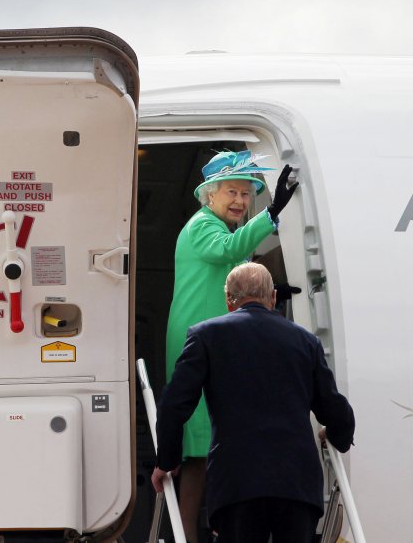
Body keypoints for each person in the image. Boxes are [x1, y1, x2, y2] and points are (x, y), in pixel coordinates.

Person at [153, 262, 355, 543]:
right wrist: (336, 436)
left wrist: (167, 460)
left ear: (228, 301)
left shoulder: (205, 335)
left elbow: (174, 405)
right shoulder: (306, 341)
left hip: (237, 484)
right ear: (273, 298)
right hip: (297, 485)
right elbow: (335, 409)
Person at [164, 149, 299, 539]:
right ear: (210, 195)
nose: (240, 201)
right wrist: (271, 213)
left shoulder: (219, 228)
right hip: (199, 341)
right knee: (198, 448)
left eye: (246, 194)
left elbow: (237, 273)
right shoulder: (202, 226)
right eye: (232, 193)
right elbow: (229, 250)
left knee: (210, 447)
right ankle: (187, 534)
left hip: (218, 342)